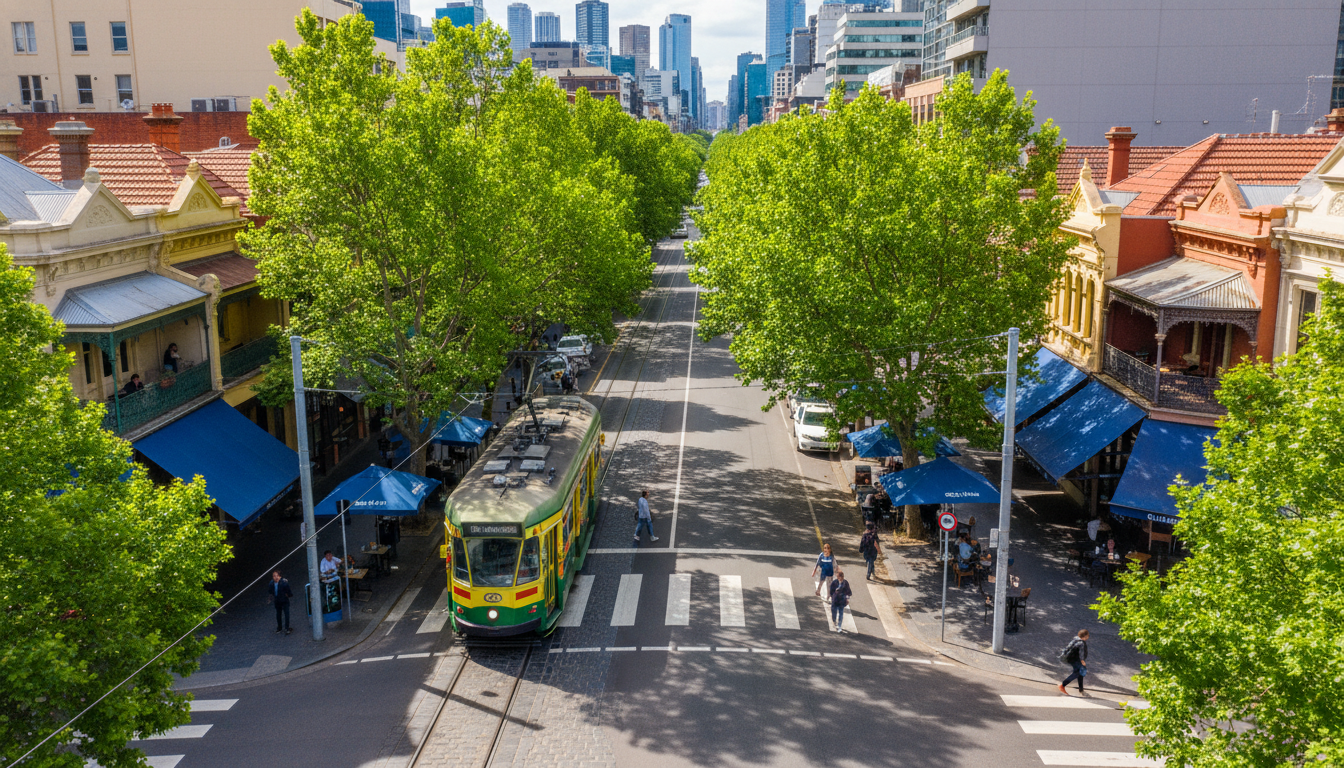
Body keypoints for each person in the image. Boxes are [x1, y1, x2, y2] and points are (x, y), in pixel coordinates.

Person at [1058, 629, 1090, 695]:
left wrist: (1063, 655)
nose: (1088, 637)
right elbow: (1081, 653)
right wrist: (1082, 661)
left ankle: (1081, 690)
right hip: (1076, 660)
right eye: (1088, 635)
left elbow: (1067, 647)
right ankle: (1062, 685)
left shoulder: (1075, 639)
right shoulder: (1081, 643)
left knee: (1080, 673)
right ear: (1085, 636)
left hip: (1070, 659)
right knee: (1078, 673)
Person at [269, 571, 293, 635]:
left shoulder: (284, 583)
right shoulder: (271, 583)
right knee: (278, 615)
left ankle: (286, 628)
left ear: (280, 576)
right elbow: (270, 591)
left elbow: (288, 591)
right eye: (274, 576)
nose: (276, 577)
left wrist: (288, 595)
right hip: (277, 601)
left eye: (277, 576)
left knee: (286, 614)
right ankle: (280, 627)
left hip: (284, 600)